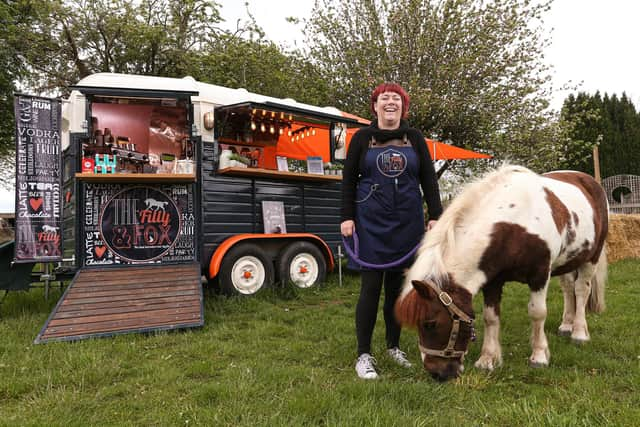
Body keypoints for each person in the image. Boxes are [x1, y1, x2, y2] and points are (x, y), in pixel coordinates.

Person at [340, 83, 443, 379]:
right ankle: (363, 354)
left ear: (403, 107)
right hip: (370, 224)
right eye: (384, 98)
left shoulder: (415, 138)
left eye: (396, 98)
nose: (390, 102)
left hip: (407, 225)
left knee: (397, 292)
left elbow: (428, 178)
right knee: (370, 290)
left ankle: (393, 347)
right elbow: (347, 180)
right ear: (375, 106)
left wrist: (436, 215)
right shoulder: (361, 138)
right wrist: (346, 217)